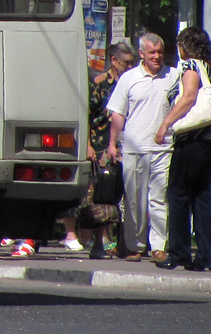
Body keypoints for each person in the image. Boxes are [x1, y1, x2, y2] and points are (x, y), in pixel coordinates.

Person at [106, 32, 179, 262]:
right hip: (134, 148)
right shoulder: (129, 78)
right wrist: (112, 144)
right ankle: (135, 246)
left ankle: (159, 247)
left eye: (160, 52)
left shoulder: (174, 76)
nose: (157, 57)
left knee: (159, 199)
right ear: (141, 54)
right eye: (152, 53)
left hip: (164, 148)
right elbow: (118, 113)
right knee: (134, 200)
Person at [153, 26, 211, 271]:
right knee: (203, 198)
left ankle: (179, 253)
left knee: (177, 196)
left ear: (185, 46)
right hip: (209, 139)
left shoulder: (191, 66)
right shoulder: (209, 66)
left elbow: (188, 97)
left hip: (191, 138)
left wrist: (166, 123)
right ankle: (206, 256)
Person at [74, 41, 136, 259]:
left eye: (132, 63)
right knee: (102, 196)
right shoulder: (100, 84)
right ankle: (98, 242)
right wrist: (89, 146)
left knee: (127, 196)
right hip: (101, 145)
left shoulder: (133, 82)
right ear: (114, 61)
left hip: (128, 145)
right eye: (126, 63)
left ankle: (124, 243)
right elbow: (87, 116)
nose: (130, 67)